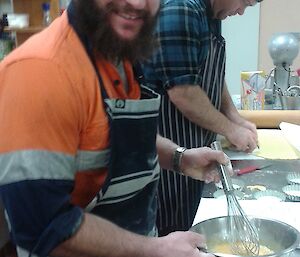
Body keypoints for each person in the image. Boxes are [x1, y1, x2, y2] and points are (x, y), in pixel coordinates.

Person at [0, 0, 232, 257]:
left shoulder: (117, 51)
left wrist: (180, 158)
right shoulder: (41, 71)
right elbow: (43, 228)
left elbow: (106, 136)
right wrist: (154, 248)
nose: (136, 3)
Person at [142, 0, 262, 236]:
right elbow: (184, 93)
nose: (240, 12)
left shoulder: (212, 13)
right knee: (172, 233)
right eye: (244, 4)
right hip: (168, 158)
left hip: (192, 153)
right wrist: (230, 130)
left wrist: (235, 117)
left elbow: (212, 74)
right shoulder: (182, 9)